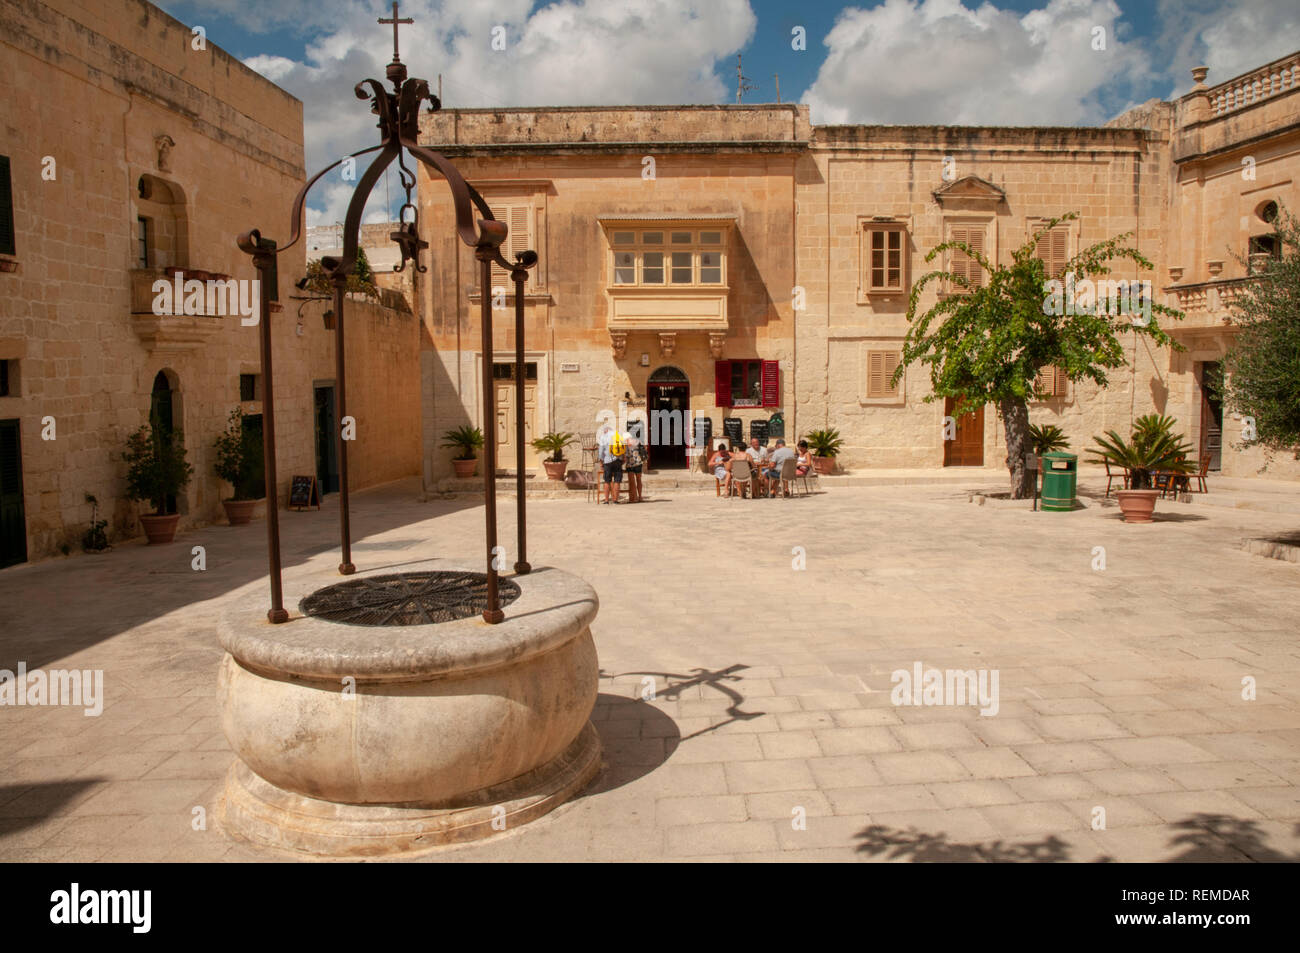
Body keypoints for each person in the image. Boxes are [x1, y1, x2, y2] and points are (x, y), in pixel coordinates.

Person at [597, 425, 625, 504]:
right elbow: (624, 447)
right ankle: (615, 500)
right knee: (617, 480)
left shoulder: (603, 437)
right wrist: (622, 458)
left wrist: (601, 462)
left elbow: (601, 452)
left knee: (607, 480)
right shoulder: (618, 435)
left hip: (607, 461)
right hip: (618, 460)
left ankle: (606, 500)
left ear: (605, 431)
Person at [624, 426, 646, 503]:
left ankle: (633, 498)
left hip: (630, 463)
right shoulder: (638, 441)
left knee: (631, 481)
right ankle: (640, 497)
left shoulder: (626, 442)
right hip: (638, 462)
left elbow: (625, 454)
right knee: (639, 480)